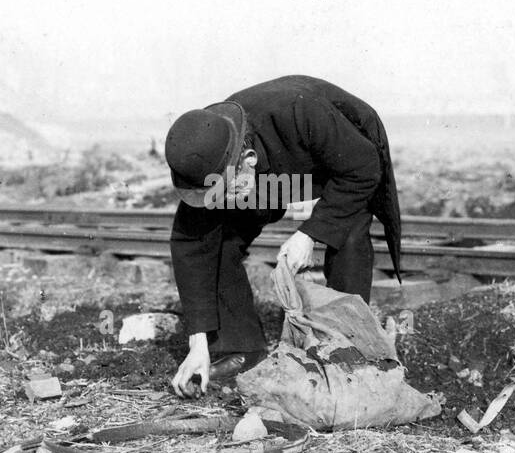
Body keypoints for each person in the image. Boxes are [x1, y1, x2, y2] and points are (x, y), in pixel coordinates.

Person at [164, 75, 401, 397]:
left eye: (227, 190)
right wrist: (198, 343)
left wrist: (309, 233)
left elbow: (361, 170)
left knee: (347, 230)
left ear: (247, 161)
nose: (224, 199)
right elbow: (191, 244)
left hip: (341, 154)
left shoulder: (297, 113)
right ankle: (242, 347)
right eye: (216, 193)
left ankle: (348, 347)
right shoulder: (206, 152)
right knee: (220, 237)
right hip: (272, 167)